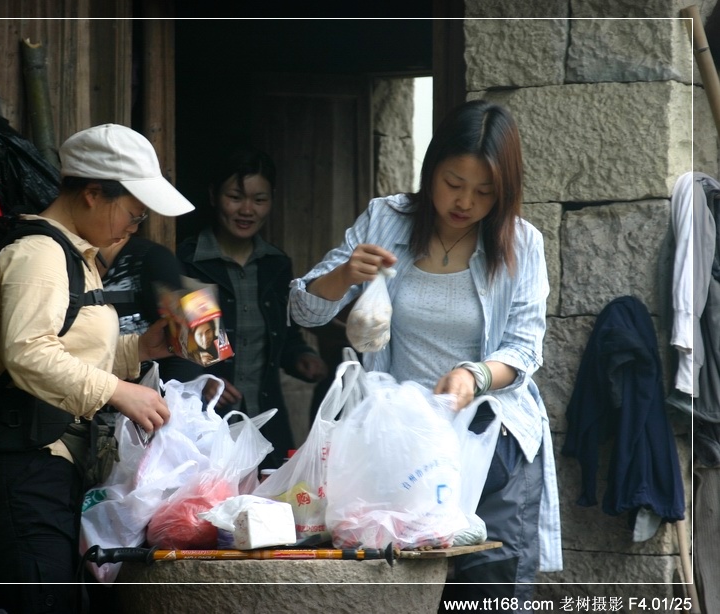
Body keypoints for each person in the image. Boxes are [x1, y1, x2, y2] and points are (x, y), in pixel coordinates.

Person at [289, 100, 561, 606]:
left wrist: (473, 376)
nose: (465, 202)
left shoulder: (521, 243)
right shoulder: (385, 219)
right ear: (431, 168)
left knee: (488, 590)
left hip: (490, 440)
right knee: (399, 591)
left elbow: (524, 348)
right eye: (453, 183)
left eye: (484, 192)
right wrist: (345, 274)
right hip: (399, 447)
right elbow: (305, 311)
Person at [0, 123, 195, 614]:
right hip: (18, 466)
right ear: (91, 194)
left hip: (45, 464)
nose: (134, 227)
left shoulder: (75, 256)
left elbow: (67, 349)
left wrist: (141, 350)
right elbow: (28, 354)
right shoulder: (39, 253)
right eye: (132, 212)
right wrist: (118, 391)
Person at [162, 146, 328, 466]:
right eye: (235, 197)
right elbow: (188, 348)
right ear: (213, 196)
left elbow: (283, 334)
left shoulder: (275, 264)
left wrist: (301, 357)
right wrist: (202, 379)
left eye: (259, 199)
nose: (247, 209)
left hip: (267, 419)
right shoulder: (189, 261)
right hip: (208, 422)